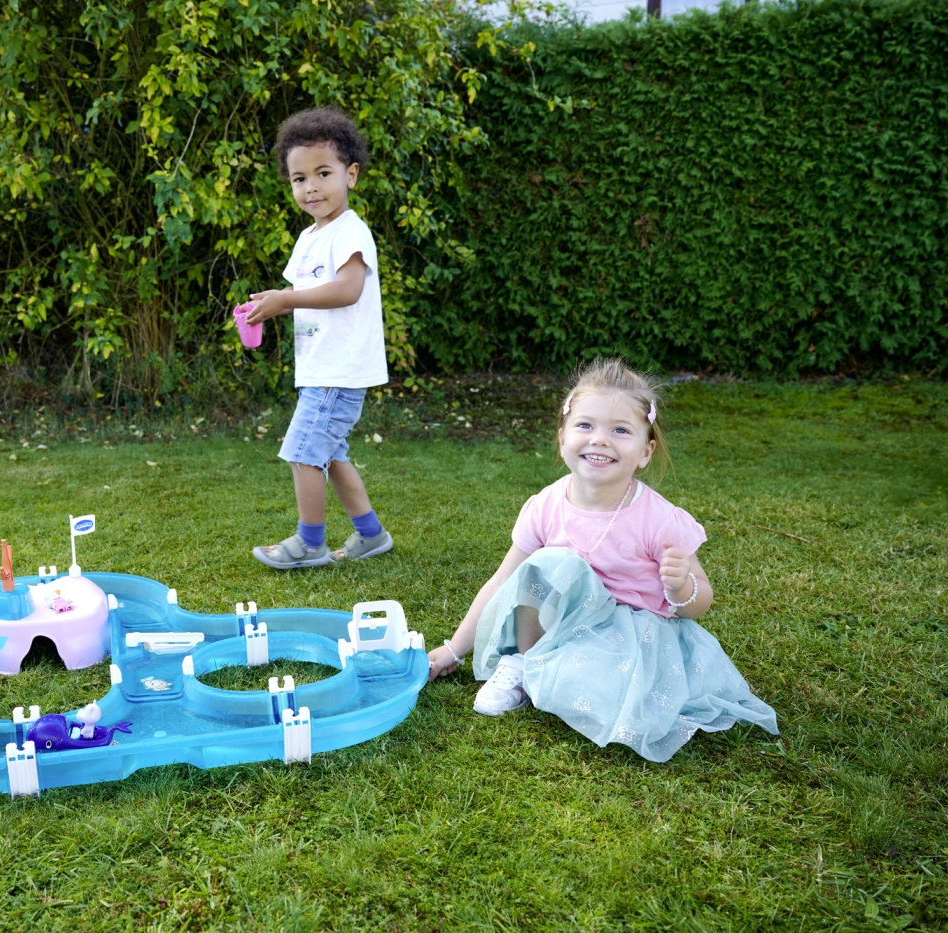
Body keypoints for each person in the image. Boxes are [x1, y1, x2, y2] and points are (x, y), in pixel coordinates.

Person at [427, 359, 778, 762]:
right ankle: (526, 662)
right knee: (547, 565)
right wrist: (453, 649)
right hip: (565, 624)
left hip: (631, 638)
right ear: (562, 437)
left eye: (620, 430)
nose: (600, 440)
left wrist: (681, 586)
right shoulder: (545, 506)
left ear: (645, 452)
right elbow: (502, 581)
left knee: (616, 694)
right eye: (585, 425)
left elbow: (699, 604)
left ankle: (566, 675)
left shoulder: (660, 520)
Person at [245, 107, 393, 569]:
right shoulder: (310, 237)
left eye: (323, 173)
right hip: (321, 369)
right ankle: (371, 535)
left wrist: (286, 299)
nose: (311, 187)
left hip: (338, 371)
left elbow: (348, 290)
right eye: (299, 178)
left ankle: (310, 544)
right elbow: (304, 295)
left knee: (303, 453)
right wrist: (269, 303)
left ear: (351, 175)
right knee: (330, 454)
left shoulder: (350, 232)